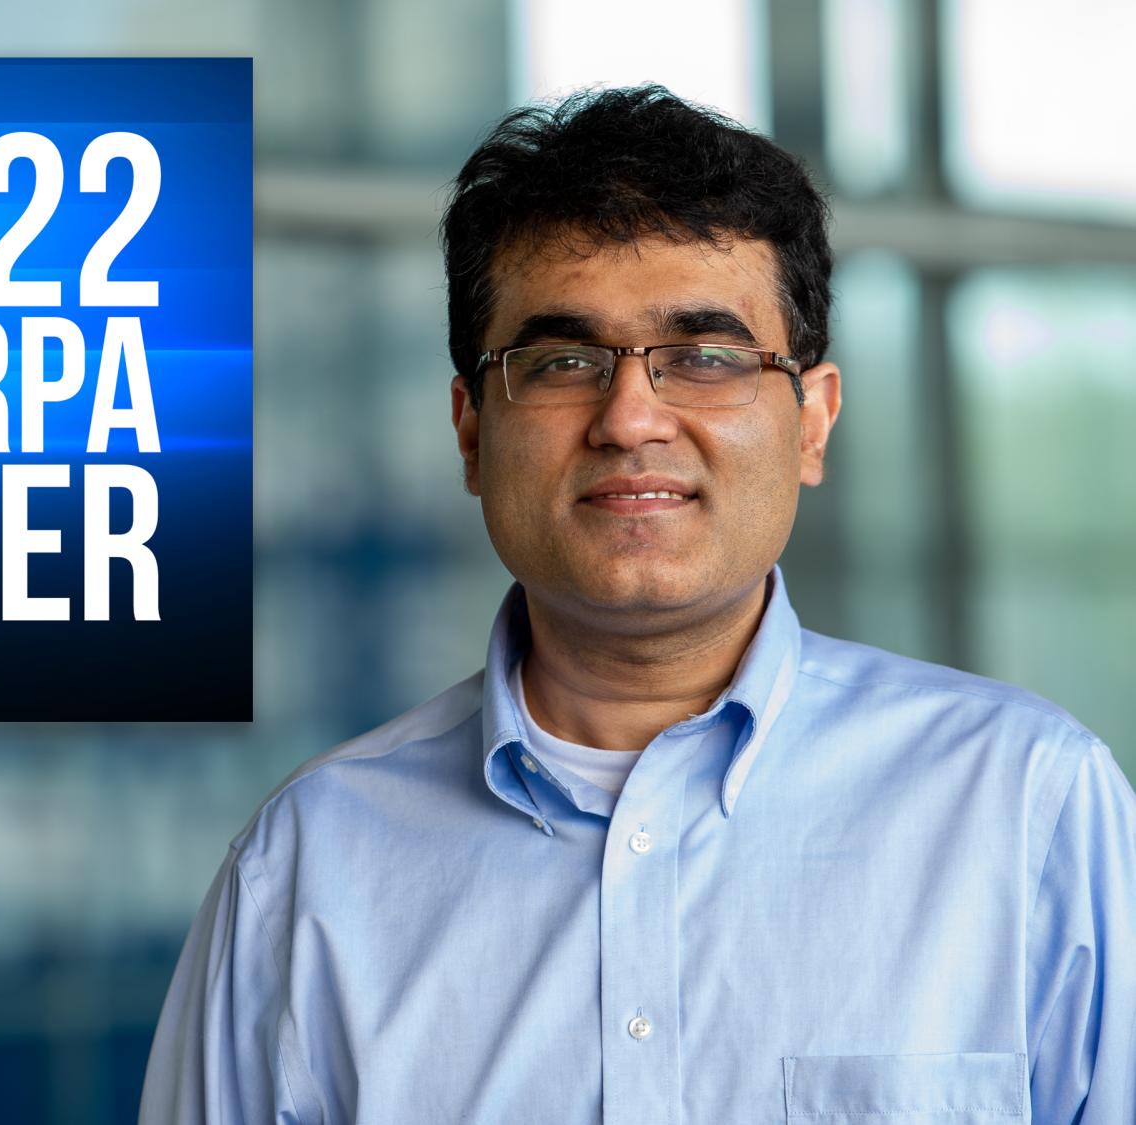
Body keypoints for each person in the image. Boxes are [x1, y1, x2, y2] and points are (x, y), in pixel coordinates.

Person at [138, 86, 1136, 1123]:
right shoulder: (306, 872)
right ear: (471, 432)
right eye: (563, 361)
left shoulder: (1030, 809)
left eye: (706, 357)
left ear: (812, 423)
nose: (630, 417)